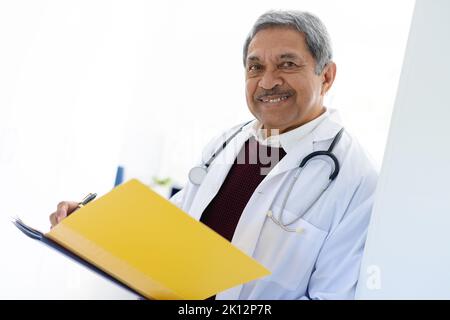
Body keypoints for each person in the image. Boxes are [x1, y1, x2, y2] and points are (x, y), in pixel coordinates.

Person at [49, 10, 378, 300]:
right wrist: (94, 224)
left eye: (287, 64)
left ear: (327, 76)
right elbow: (175, 226)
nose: (267, 81)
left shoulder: (357, 181)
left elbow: (332, 296)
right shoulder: (227, 142)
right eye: (255, 66)